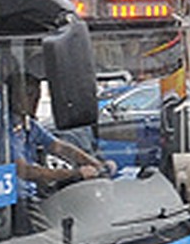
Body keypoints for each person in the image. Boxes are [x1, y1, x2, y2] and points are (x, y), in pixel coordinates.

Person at [9, 63, 115, 198]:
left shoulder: (29, 124)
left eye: (38, 97)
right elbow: (25, 170)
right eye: (31, 96)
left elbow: (59, 147)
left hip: (31, 192)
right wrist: (75, 174)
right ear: (16, 97)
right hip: (16, 199)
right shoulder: (6, 129)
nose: (36, 102)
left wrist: (96, 164)